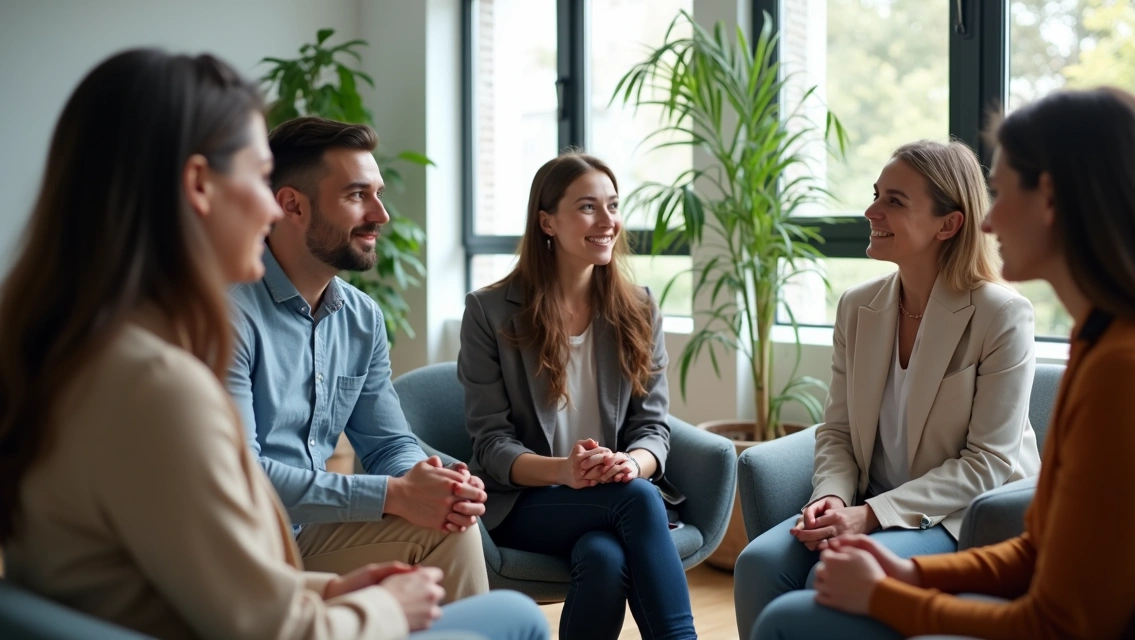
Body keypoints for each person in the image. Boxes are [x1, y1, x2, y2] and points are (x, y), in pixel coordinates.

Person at [0, 48, 546, 640]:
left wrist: (339, 580)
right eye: (259, 178)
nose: (270, 206)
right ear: (200, 186)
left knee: (505, 604)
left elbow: (198, 573)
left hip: (232, 591)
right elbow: (263, 621)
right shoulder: (162, 384)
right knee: (516, 621)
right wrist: (388, 606)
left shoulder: (81, 349)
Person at [763, 87, 1135, 639]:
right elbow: (1039, 550)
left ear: (1050, 201)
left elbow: (1061, 622)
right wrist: (910, 574)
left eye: (1000, 194)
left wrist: (886, 592)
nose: (990, 221)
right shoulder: (1098, 339)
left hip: (971, 535)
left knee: (790, 619)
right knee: (771, 580)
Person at [735, 140, 1041, 639]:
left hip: (956, 516)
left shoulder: (1001, 314)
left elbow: (987, 463)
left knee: (822, 579)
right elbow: (837, 430)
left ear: (948, 224)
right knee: (758, 565)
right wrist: (833, 497)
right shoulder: (857, 307)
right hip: (866, 501)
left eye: (894, 201)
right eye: (876, 194)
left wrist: (872, 516)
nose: (871, 211)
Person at [225, 115, 489, 599]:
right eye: (356, 195)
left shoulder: (361, 318)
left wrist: (429, 482)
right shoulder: (228, 313)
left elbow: (388, 445)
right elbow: (242, 475)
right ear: (291, 205)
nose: (380, 215)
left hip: (307, 538)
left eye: (378, 194)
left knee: (450, 522)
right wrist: (394, 495)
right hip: (237, 549)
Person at [457, 151, 697, 640]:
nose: (608, 221)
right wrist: (564, 471)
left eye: (613, 205)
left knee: (603, 556)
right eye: (588, 207)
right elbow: (492, 444)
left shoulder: (639, 308)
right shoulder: (489, 311)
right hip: (527, 502)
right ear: (547, 222)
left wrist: (630, 464)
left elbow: (652, 426)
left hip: (615, 493)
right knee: (636, 500)